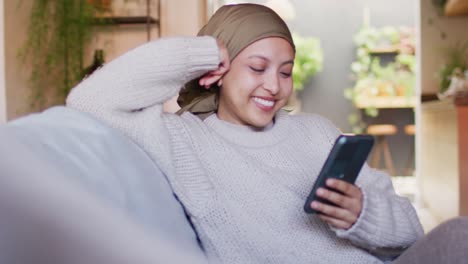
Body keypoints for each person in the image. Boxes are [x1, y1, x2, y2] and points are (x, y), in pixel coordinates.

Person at [66, 3, 441, 263]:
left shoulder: (317, 132)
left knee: (457, 237)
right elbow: (90, 101)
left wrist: (363, 215)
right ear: (220, 69)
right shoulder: (183, 141)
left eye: (285, 71)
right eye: (257, 67)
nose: (274, 87)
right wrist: (197, 54)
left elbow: (412, 230)